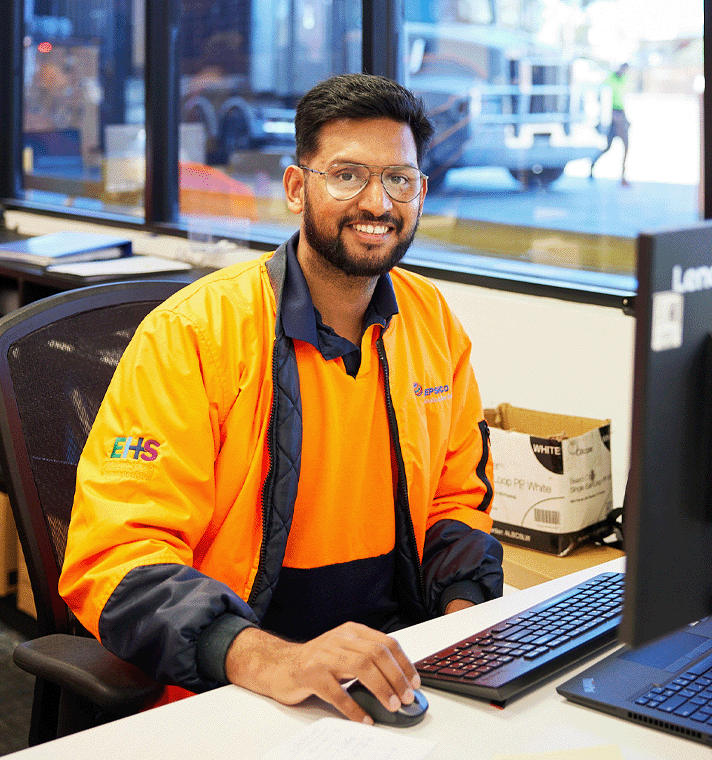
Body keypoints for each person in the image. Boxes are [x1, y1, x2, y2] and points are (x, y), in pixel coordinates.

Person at [59, 73, 503, 725]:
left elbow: (457, 497)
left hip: (394, 670)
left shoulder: (429, 319)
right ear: (297, 188)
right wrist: (261, 657)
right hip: (238, 679)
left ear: (421, 192)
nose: (377, 202)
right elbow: (116, 554)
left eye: (399, 179)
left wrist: (461, 629)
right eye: (347, 175)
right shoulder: (196, 334)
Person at [589, 63, 631, 186]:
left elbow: (622, 99)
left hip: (621, 114)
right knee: (608, 147)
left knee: (626, 145)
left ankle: (623, 177)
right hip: (611, 115)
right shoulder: (609, 79)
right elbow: (600, 97)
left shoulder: (624, 80)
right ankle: (593, 164)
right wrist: (611, 114)